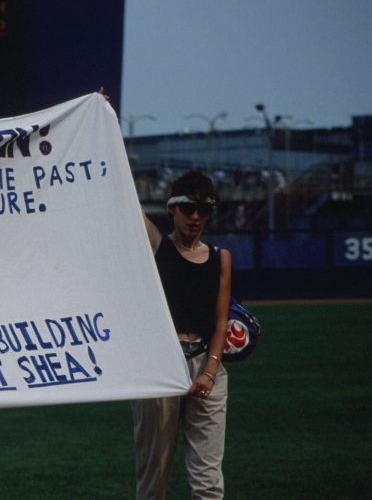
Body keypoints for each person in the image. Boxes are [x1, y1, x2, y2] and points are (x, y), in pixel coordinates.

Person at [133, 171, 232, 499]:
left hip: (207, 365)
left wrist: (209, 372)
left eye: (203, 210)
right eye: (188, 208)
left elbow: (221, 322)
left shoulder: (221, 258)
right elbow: (126, 203)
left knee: (208, 480)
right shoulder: (158, 247)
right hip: (161, 365)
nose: (195, 217)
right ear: (172, 208)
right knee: (153, 474)